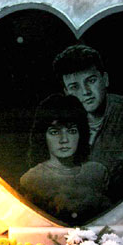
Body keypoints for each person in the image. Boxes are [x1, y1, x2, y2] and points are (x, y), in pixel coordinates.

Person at [52, 44, 123, 202]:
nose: (85, 92)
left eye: (91, 81)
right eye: (74, 87)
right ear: (67, 93)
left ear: (105, 79)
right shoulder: (60, 124)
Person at [19, 94, 109, 223]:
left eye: (71, 131)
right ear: (43, 135)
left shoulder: (97, 172)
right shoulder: (32, 178)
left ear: (81, 133)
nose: (64, 140)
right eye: (55, 132)